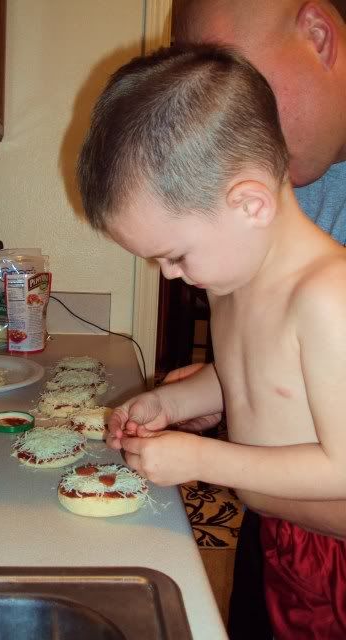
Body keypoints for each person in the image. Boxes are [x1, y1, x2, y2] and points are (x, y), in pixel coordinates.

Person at [76, 44, 346, 639]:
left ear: (249, 203)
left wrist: (203, 459)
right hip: (273, 533)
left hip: (332, 559)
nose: (171, 275)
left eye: (174, 255)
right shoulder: (233, 282)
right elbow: (248, 374)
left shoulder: (328, 297)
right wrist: (173, 403)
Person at [171, 2, 346, 638]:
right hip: (280, 546)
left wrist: (226, 464)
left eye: (238, 84)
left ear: (318, 36)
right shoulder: (285, 184)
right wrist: (225, 387)